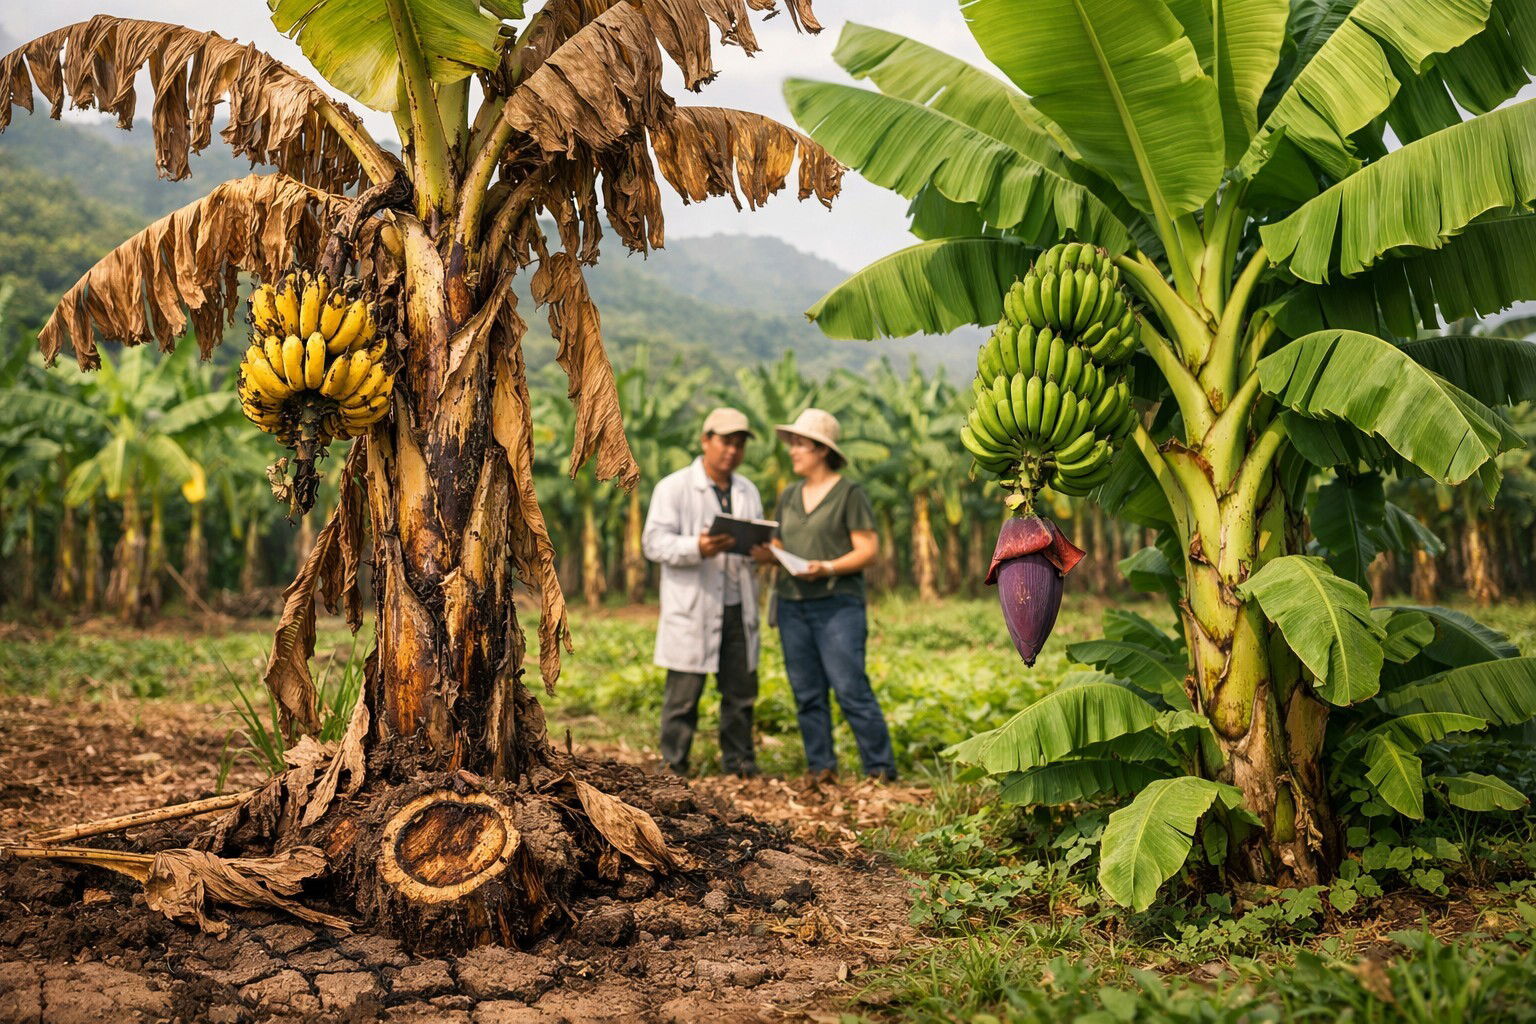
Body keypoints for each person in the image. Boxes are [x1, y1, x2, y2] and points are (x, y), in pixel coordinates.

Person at [752, 408, 896, 782]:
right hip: (791, 605)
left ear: (820, 450)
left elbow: (868, 550)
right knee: (806, 692)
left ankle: (880, 770)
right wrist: (768, 554)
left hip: (837, 605)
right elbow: (780, 542)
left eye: (799, 445)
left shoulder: (850, 493)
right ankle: (821, 768)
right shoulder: (788, 495)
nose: (793, 451)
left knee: (850, 687)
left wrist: (827, 567)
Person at [642, 407, 763, 777]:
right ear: (705, 440)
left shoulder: (747, 490)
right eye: (726, 442)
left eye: (739, 445)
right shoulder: (674, 487)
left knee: (740, 693)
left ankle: (740, 764)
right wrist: (698, 547)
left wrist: (761, 552)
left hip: (737, 604)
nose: (732, 451)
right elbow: (654, 543)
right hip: (693, 607)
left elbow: (754, 539)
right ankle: (673, 768)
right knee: (683, 696)